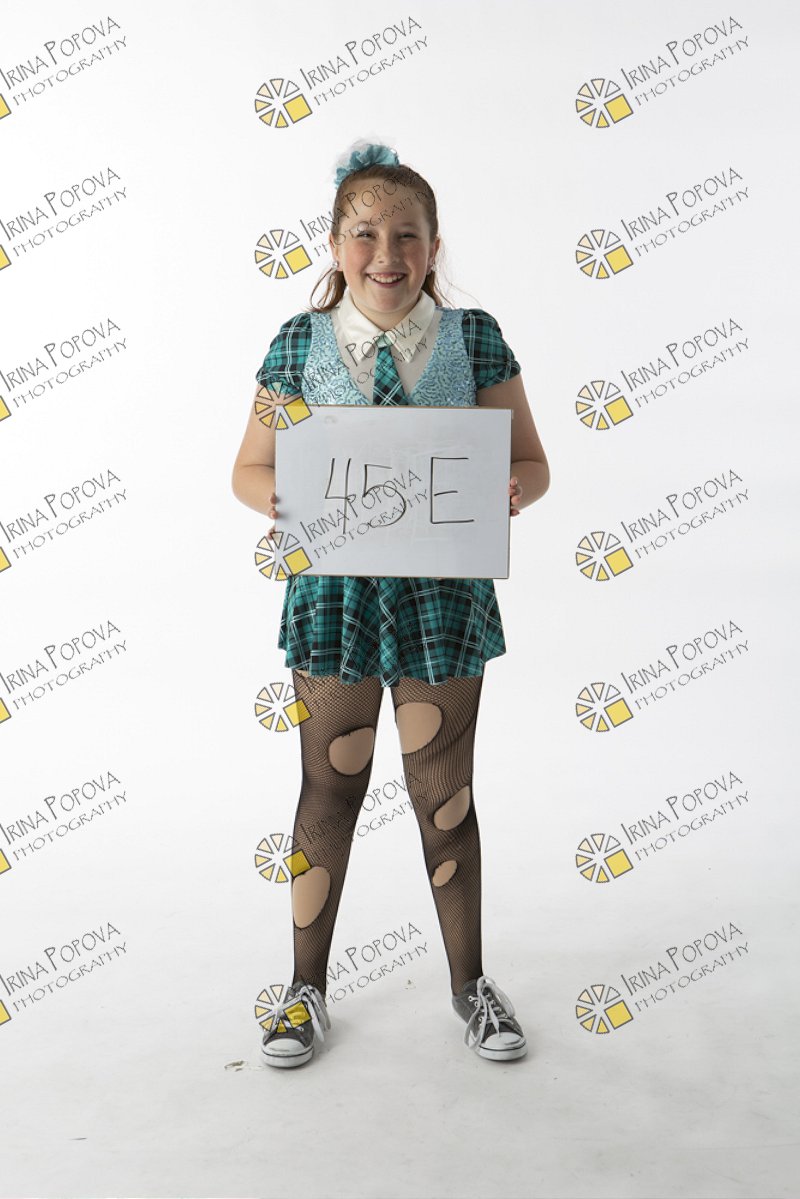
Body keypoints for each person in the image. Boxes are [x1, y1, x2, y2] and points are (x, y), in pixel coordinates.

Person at [231, 140, 550, 1068]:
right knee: (328, 787)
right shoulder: (297, 344)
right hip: (333, 599)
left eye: (406, 234)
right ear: (335, 246)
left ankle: (470, 986)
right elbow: (248, 468)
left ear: (433, 247)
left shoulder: (474, 338)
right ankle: (304, 990)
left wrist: (511, 488)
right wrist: (291, 498)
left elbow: (532, 461)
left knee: (444, 795)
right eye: (365, 233)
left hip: (442, 601)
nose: (386, 253)